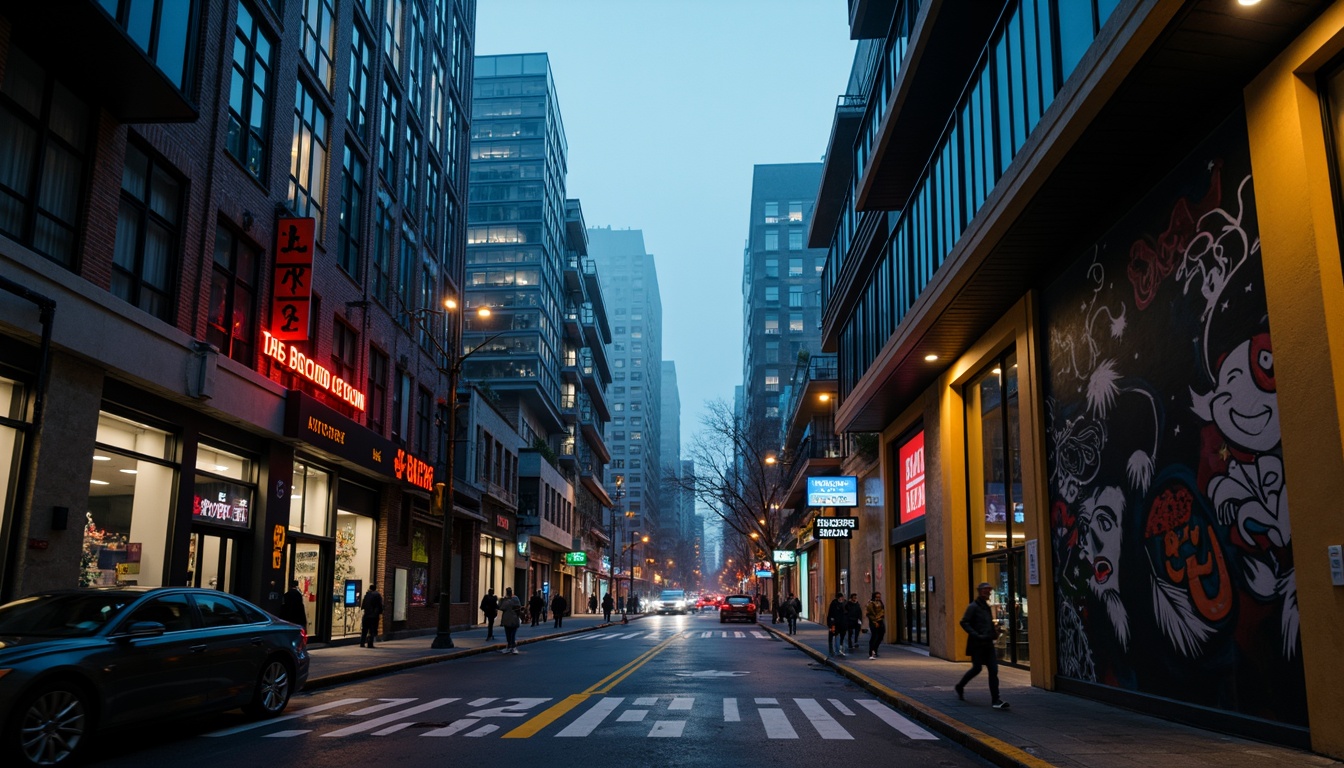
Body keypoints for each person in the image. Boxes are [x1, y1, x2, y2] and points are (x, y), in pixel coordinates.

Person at [956, 582, 1009, 709]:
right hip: (977, 644)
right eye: (985, 590)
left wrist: (994, 632)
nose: (988, 592)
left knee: (993, 670)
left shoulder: (986, 606)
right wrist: (976, 634)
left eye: (989, 590)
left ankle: (996, 700)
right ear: (980, 591)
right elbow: (964, 622)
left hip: (988, 643)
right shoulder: (973, 607)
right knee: (977, 668)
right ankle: (960, 686)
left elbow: (988, 623)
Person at [498, 587, 522, 654]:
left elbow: (501, 607)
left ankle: (511, 647)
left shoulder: (509, 599)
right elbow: (500, 607)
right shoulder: (513, 599)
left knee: (511, 634)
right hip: (510, 619)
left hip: (510, 618)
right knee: (510, 634)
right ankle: (511, 647)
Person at [359, 583, 383, 649]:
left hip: (366, 615)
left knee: (364, 630)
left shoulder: (367, 595)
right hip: (373, 616)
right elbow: (380, 605)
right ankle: (370, 644)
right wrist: (380, 612)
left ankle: (362, 643)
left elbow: (363, 605)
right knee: (372, 630)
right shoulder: (377, 595)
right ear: (375, 588)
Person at [825, 591, 849, 657]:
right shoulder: (834, 604)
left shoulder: (846, 603)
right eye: (840, 598)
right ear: (838, 598)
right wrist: (831, 625)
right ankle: (835, 650)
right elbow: (830, 615)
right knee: (835, 636)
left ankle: (840, 650)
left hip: (843, 623)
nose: (841, 599)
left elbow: (848, 613)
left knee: (842, 637)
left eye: (842, 597)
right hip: (835, 623)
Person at [866, 591, 886, 659]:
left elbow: (882, 610)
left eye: (879, 597)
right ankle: (871, 652)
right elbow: (870, 614)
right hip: (874, 621)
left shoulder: (880, 603)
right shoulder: (871, 604)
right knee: (874, 636)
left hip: (880, 620)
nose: (878, 598)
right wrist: (875, 621)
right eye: (877, 597)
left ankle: (875, 649)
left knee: (881, 635)